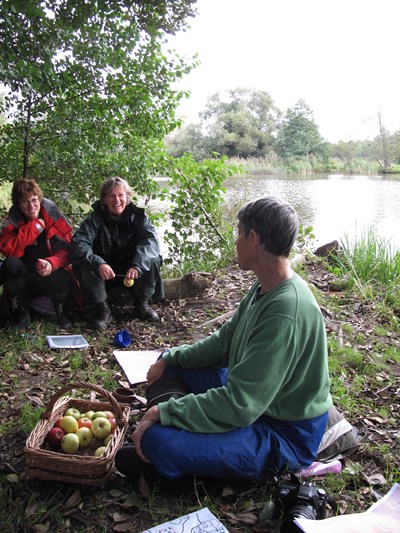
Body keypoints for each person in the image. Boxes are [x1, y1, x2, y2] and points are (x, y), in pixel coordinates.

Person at [115, 196, 333, 483]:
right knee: (171, 366)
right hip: (255, 404)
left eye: (238, 234)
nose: (236, 241)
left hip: (282, 432)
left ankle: (164, 455)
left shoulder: (286, 311)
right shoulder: (264, 287)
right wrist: (171, 357)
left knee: (159, 440)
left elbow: (241, 404)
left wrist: (164, 411)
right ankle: (172, 445)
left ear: (253, 239)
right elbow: (222, 343)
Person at [71, 177, 164, 329]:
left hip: (132, 270)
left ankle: (142, 303)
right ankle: (102, 308)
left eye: (121, 195)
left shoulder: (139, 217)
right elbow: (78, 244)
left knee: (154, 258)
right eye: (111, 196)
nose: (117, 200)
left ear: (127, 197)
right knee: (83, 261)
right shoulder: (94, 219)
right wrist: (98, 262)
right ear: (104, 199)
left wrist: (137, 266)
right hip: (105, 272)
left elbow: (151, 243)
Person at [0, 179, 73, 329]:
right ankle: (20, 315)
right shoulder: (12, 222)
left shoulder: (54, 218)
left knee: (62, 273)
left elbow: (68, 251)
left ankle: (63, 313)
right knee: (10, 264)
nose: (31, 206)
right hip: (25, 279)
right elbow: (8, 250)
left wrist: (52, 263)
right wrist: (34, 227)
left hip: (49, 275)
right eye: (25, 202)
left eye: (34, 200)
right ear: (18, 205)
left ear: (40, 200)